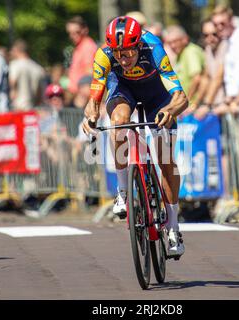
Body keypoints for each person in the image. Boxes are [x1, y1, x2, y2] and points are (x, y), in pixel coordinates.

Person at [82, 16, 188, 257]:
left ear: (138, 45)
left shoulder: (154, 48)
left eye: (127, 53)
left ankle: (172, 226)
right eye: (117, 54)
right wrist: (90, 118)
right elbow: (94, 99)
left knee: (165, 159)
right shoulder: (103, 54)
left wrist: (169, 111)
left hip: (156, 96)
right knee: (118, 123)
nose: (122, 59)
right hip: (123, 91)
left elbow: (181, 97)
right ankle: (122, 192)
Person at [9, 39, 45, 110]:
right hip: (32, 109)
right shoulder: (38, 68)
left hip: (18, 108)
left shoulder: (15, 64)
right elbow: (39, 93)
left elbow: (13, 83)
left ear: (16, 50)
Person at [66, 16, 98, 96]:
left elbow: (90, 73)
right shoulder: (79, 47)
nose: (72, 36)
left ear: (85, 30)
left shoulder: (87, 46)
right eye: (70, 33)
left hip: (82, 96)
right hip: (76, 94)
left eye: (76, 32)